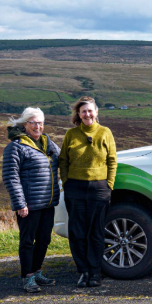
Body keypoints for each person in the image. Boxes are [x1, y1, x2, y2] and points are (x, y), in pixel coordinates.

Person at [58, 96, 117, 287]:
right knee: (77, 232)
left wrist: (109, 184)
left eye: (90, 110)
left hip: (99, 189)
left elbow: (112, 161)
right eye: (83, 111)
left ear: (96, 112)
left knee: (96, 232)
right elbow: (63, 161)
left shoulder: (105, 133)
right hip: (75, 188)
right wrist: (67, 182)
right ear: (79, 114)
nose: (87, 114)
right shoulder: (71, 134)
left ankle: (95, 273)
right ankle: (82, 271)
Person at [1, 107, 61, 293]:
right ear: (25, 124)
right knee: (27, 241)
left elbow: (65, 159)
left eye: (41, 123)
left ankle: (37, 272)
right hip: (29, 205)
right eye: (33, 122)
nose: (38, 126)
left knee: (44, 240)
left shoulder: (47, 144)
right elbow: (11, 176)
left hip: (47, 203)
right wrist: (20, 203)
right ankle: (28, 278)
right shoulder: (16, 147)